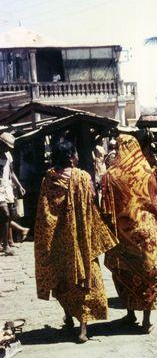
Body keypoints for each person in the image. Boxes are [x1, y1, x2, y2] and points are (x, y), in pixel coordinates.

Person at [34, 141, 117, 343]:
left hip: (60, 240)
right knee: (86, 280)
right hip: (82, 239)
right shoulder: (83, 177)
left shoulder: (49, 178)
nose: (79, 156)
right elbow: (92, 201)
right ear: (71, 156)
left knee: (64, 279)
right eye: (77, 153)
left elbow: (45, 211)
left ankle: (69, 318)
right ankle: (83, 330)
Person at [102, 134, 157, 333]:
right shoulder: (147, 171)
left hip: (123, 234)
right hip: (146, 232)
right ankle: (146, 320)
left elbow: (106, 209)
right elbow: (155, 202)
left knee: (125, 273)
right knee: (149, 273)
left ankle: (131, 314)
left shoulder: (110, 175)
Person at [0, 132, 27, 256]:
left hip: (7, 187)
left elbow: (11, 173)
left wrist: (19, 185)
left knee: (8, 216)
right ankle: (5, 245)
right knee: (5, 213)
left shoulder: (8, 155)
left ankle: (4, 242)